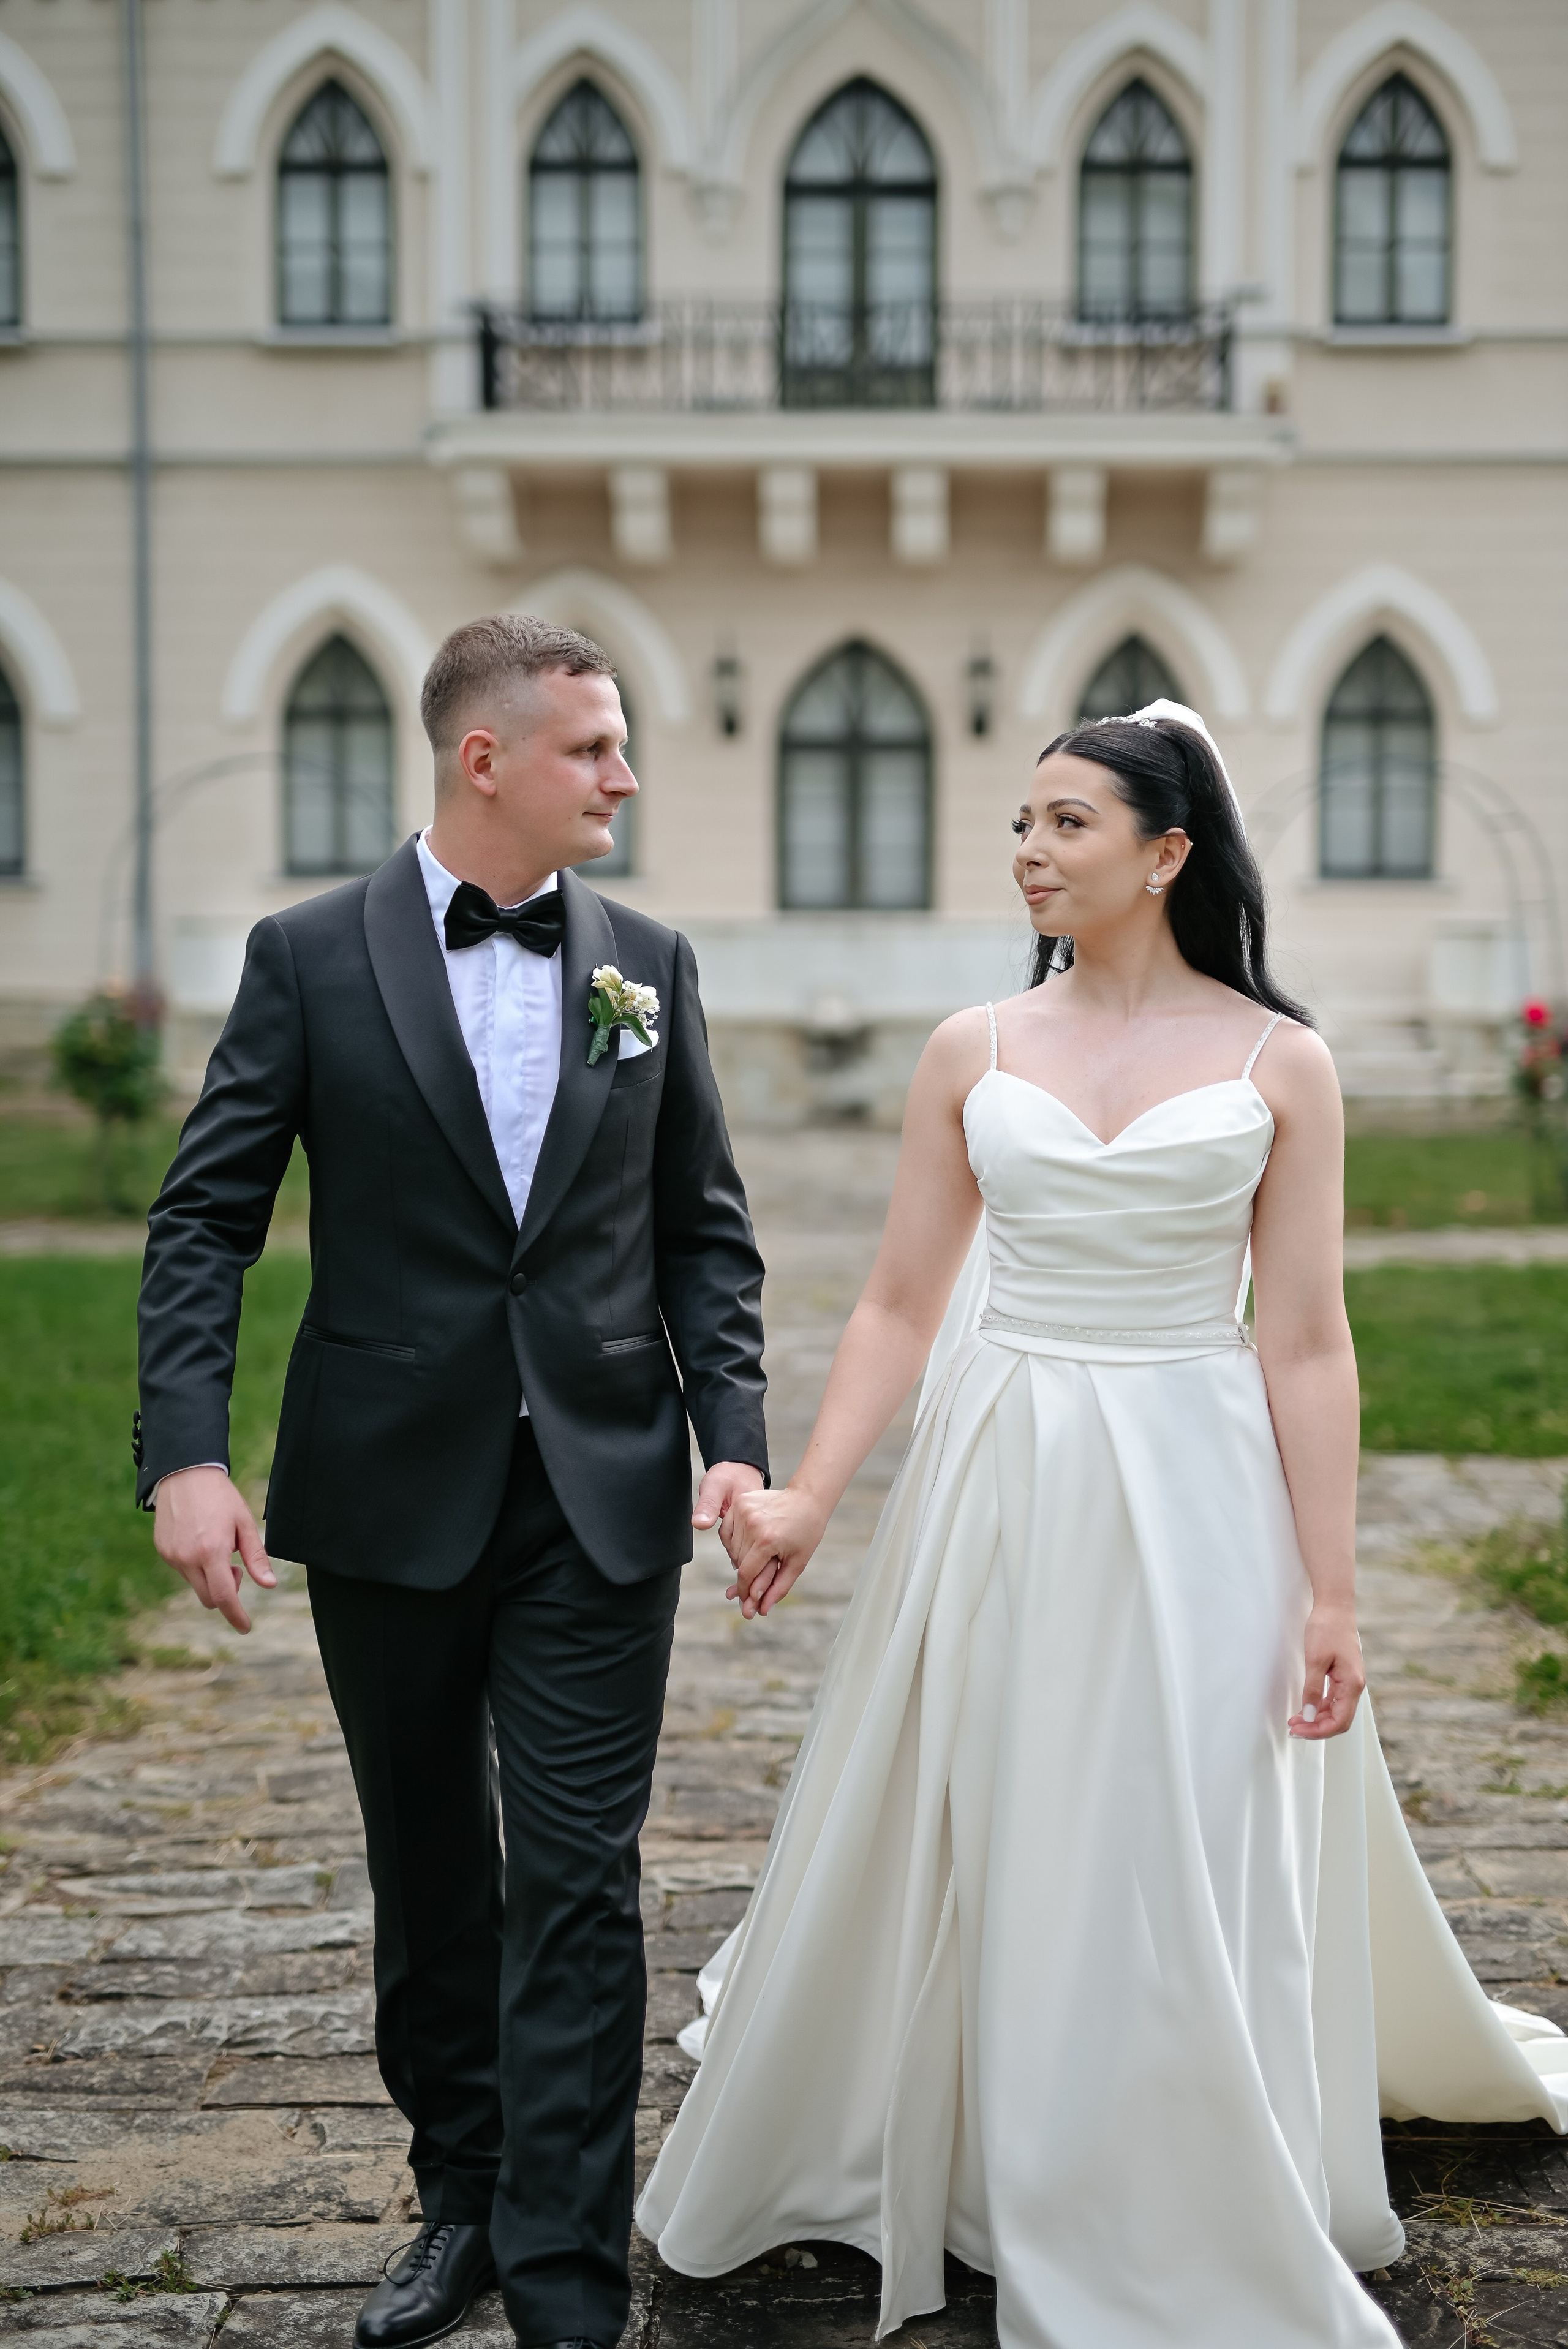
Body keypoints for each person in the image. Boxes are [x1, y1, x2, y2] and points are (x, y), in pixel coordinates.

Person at [637, 703, 1568, 2349]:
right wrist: (811, 1493)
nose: (1030, 848)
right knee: (1018, 1801)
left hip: (1207, 1478)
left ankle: (1189, 2154)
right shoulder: (973, 1049)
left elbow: (1306, 1339)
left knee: (1185, 1820)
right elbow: (901, 1304)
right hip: (1011, 1469)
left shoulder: (1283, 1061)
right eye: (1023, 819)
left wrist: (1334, 1590)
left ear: (1167, 849)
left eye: (1069, 821)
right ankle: (1008, 2148)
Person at [134, 616, 769, 2349]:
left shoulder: (651, 962)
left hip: (602, 1490)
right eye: (594, 747)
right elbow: (205, 1217)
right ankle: (459, 2198)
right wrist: (187, 1451)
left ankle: (567, 2272)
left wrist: (738, 1446)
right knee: (429, 1874)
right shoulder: (308, 958)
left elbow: (704, 1237)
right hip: (387, 1488)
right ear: (484, 757)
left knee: (578, 1877)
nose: (626, 774)